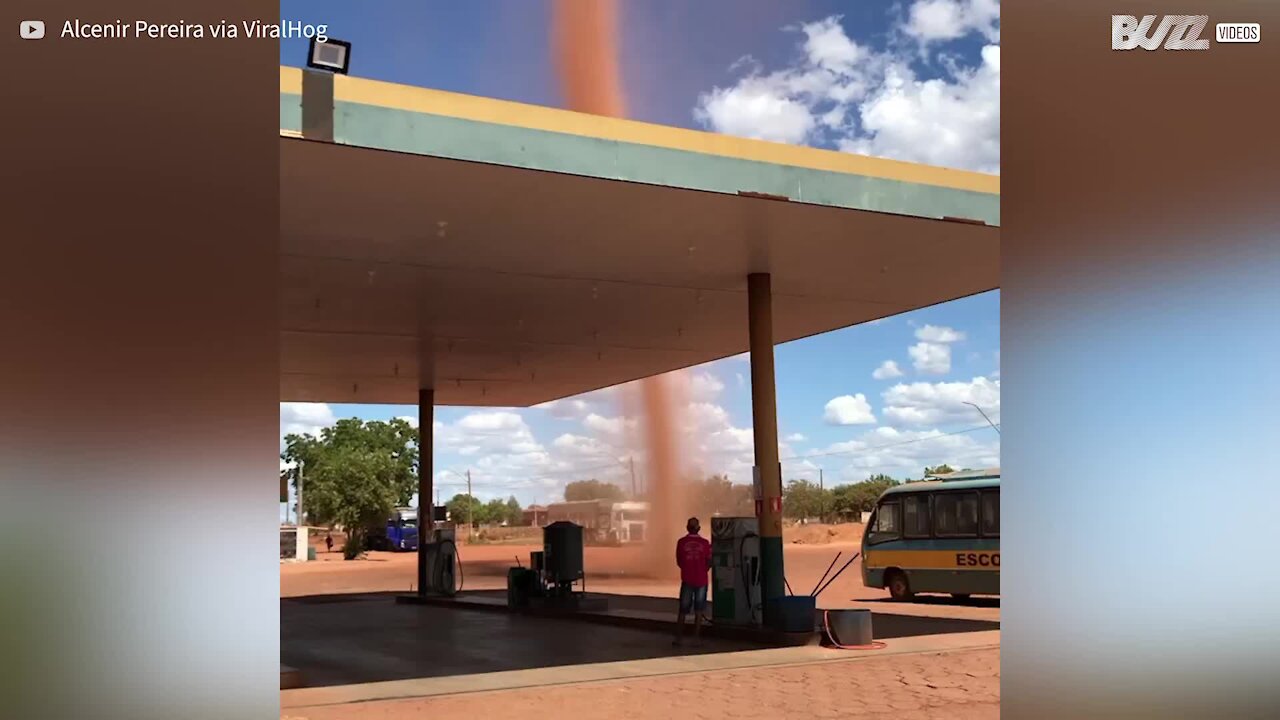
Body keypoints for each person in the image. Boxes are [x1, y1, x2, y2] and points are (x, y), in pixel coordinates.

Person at [674, 516, 712, 646]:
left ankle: (678, 638)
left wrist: (688, 569)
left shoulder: (681, 542)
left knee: (683, 609)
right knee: (699, 610)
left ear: (687, 528)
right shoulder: (706, 543)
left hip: (687, 580)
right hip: (701, 580)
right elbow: (709, 562)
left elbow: (679, 561)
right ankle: (696, 638)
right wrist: (701, 570)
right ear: (699, 528)